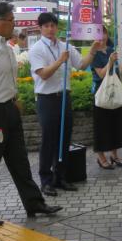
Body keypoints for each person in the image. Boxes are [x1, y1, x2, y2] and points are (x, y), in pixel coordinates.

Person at [0, 3, 61, 226]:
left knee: (20, 161)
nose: (14, 24)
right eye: (11, 20)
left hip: (9, 110)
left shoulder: (7, 47)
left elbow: (6, 79)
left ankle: (34, 203)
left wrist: (15, 99)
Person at [29, 12, 103, 196]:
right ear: (40, 28)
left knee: (64, 139)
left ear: (57, 27)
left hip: (64, 97)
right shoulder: (37, 49)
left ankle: (60, 178)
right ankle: (46, 181)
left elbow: (81, 65)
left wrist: (93, 50)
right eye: (46, 26)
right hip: (47, 99)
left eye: (53, 25)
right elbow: (44, 74)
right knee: (48, 141)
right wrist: (60, 61)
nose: (50, 29)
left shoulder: (65, 46)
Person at [90, 34, 122, 170]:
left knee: (115, 124)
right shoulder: (94, 53)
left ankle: (114, 155)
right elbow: (101, 73)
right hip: (101, 94)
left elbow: (115, 69)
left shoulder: (111, 49)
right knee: (101, 127)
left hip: (113, 92)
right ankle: (101, 157)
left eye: (104, 33)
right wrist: (111, 62)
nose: (102, 37)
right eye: (98, 34)